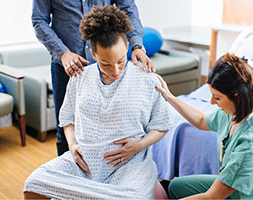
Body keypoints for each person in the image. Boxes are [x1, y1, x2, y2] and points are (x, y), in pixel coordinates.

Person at [24, 5, 174, 199]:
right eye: (106, 64)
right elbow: (67, 119)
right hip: (84, 164)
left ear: (127, 47)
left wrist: (139, 146)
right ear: (93, 54)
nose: (115, 71)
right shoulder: (79, 78)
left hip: (129, 165)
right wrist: (72, 144)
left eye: (120, 61)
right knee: (33, 185)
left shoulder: (146, 79)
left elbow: (162, 124)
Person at [32, 0, 155, 156]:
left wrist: (136, 45)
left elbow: (128, 9)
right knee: (65, 132)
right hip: (67, 66)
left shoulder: (115, 68)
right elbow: (38, 20)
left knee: (109, 129)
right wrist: (63, 53)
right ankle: (69, 176)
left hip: (104, 65)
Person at [155, 52, 253, 199]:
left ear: (236, 97)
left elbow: (212, 197)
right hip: (230, 185)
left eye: (217, 98)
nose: (211, 102)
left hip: (250, 194)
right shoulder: (236, 110)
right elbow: (202, 121)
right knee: (176, 187)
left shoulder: (252, 143)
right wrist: (169, 97)